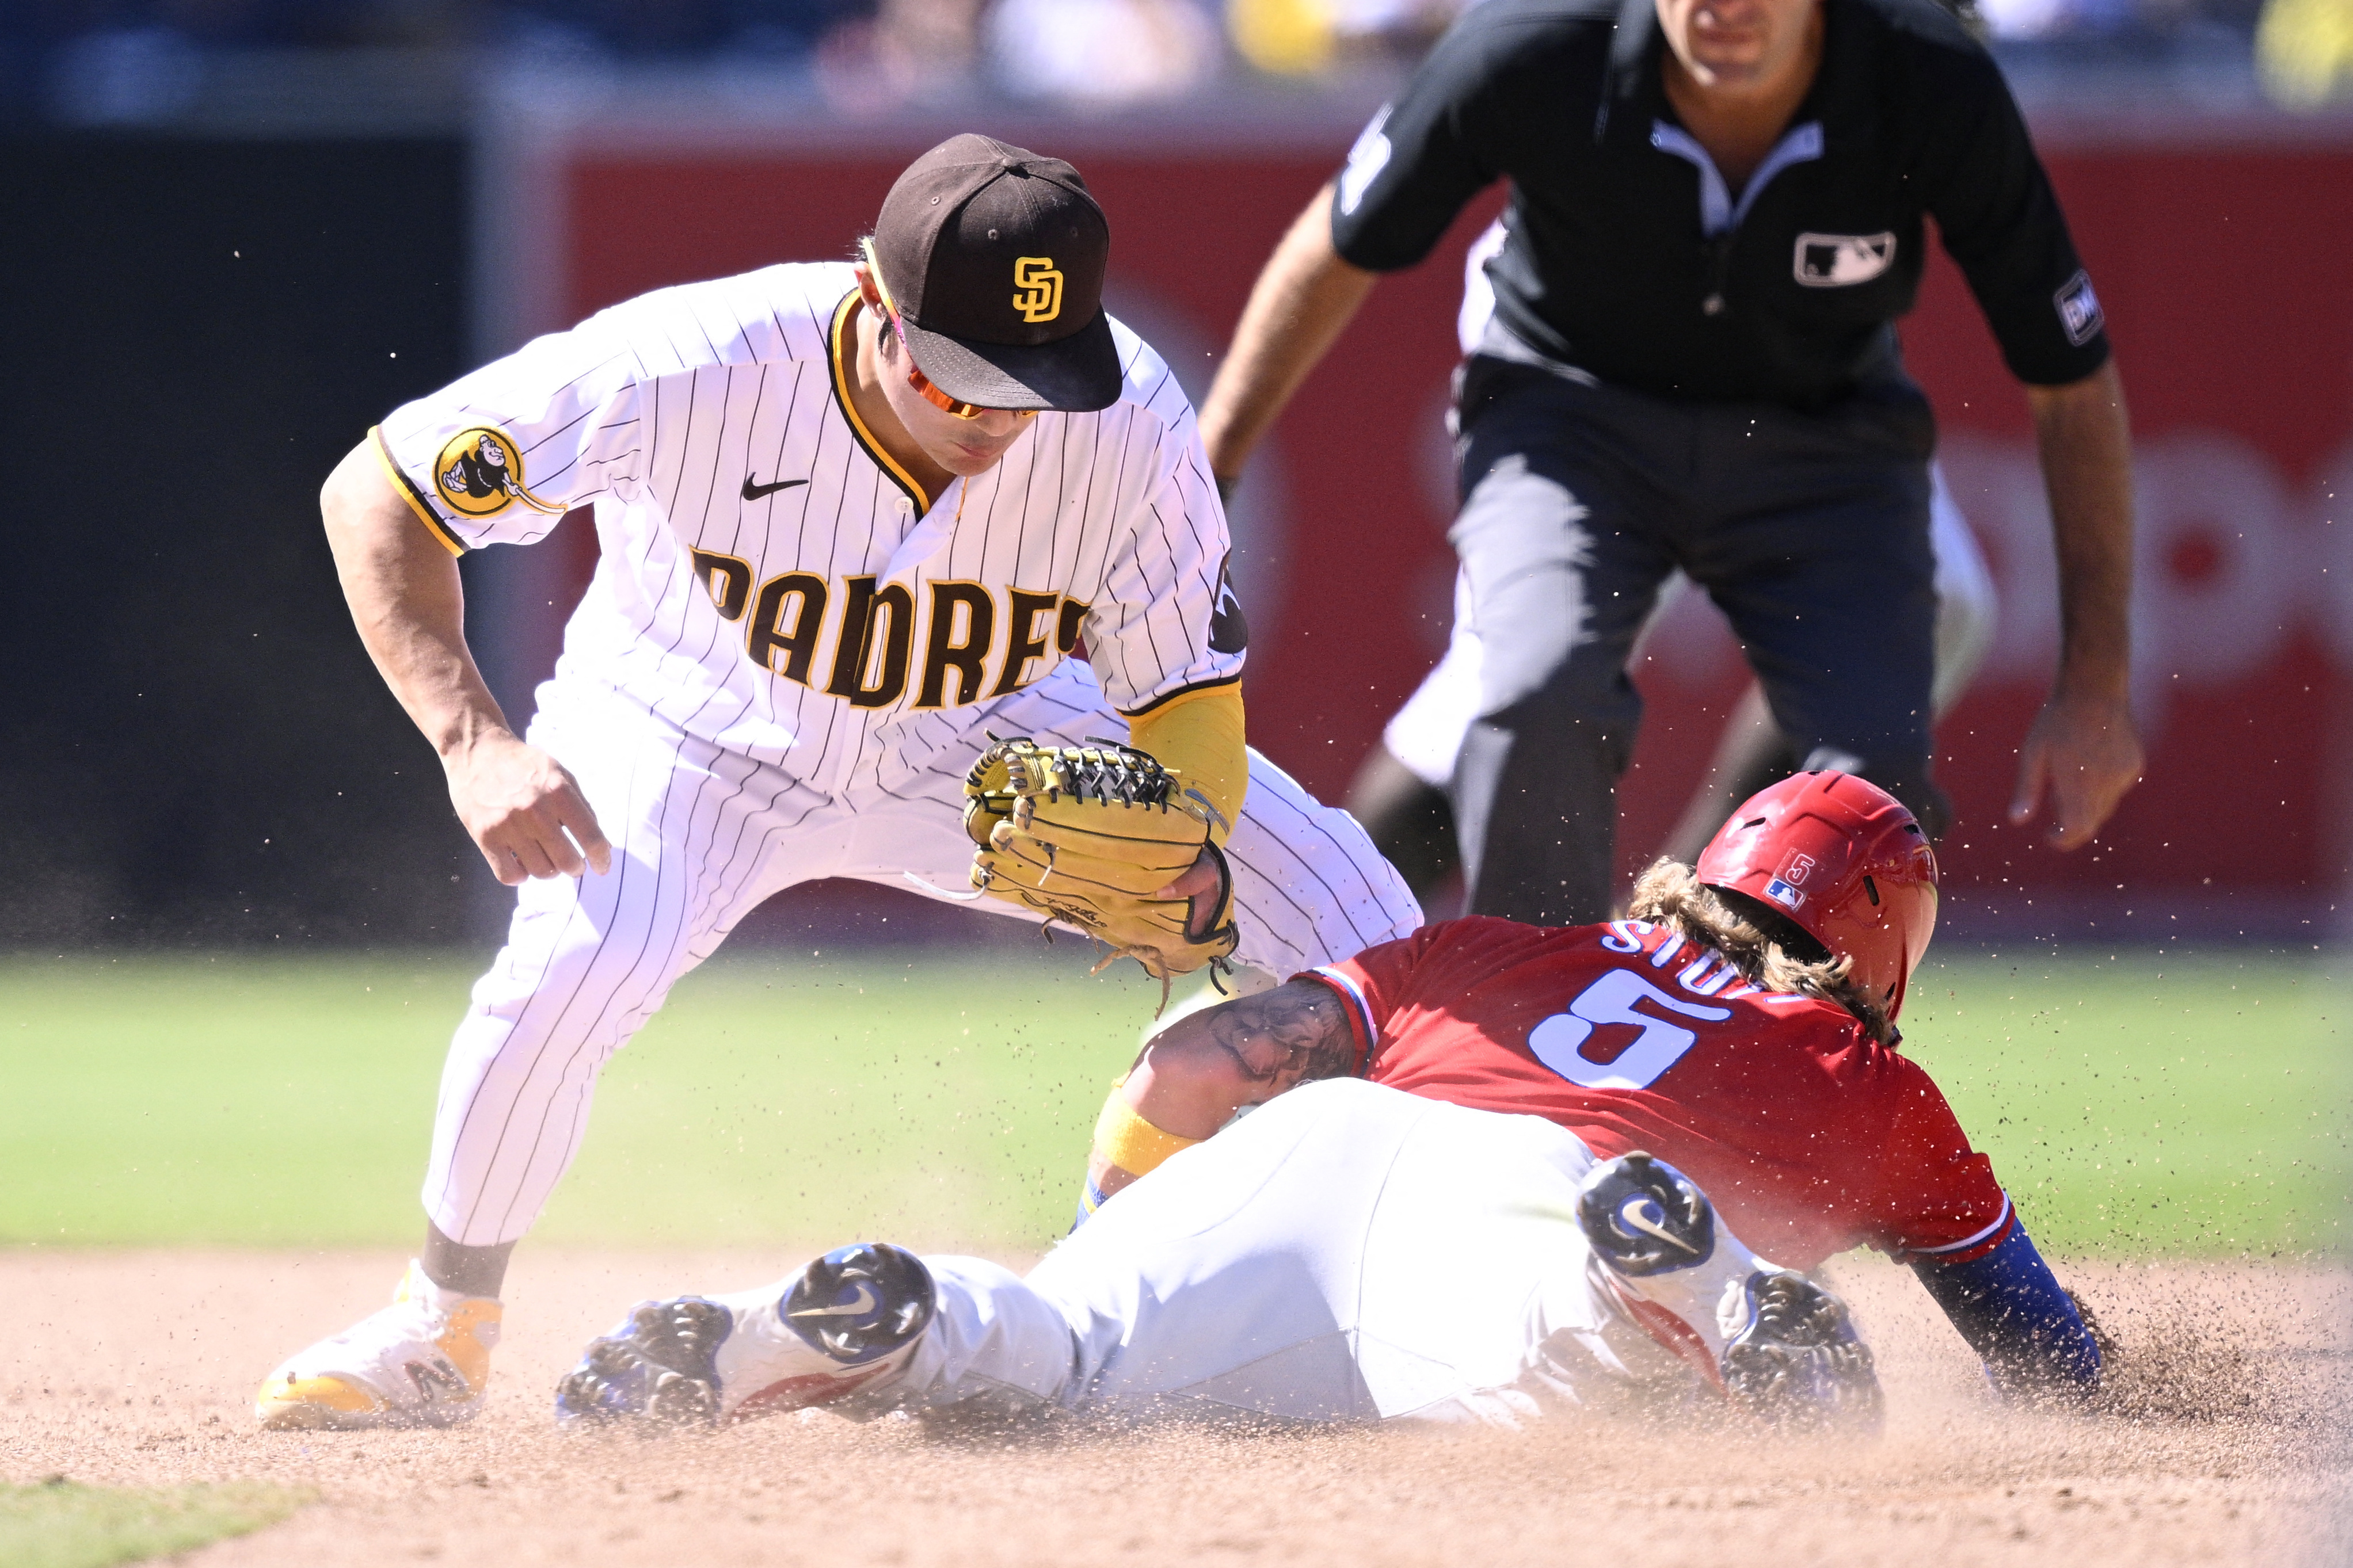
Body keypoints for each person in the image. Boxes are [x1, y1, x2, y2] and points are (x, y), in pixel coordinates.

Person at [254, 133, 1419, 1432]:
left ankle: (1386, 1275)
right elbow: (384, 488)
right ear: (875, 300)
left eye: (1030, 383)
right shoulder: (690, 362)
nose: (995, 418)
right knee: (582, 961)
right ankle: (437, 1334)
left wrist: (1187, 832)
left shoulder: (1127, 422)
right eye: (964, 377)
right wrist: (475, 741)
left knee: (1358, 919)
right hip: (689, 733)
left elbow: (1185, 698)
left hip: (988, 737)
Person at [549, 772, 2100, 1434]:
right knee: (1628, 1351)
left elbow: (1198, 1063)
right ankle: (1678, 1273)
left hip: (1320, 1145)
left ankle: (889, 1316)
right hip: (1542, 1208)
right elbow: (2049, 1351)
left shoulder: (1493, 942)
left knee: (1062, 1360)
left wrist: (1131, 1240)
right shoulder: (1876, 1083)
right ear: (1881, 936)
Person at [1196, 0, 2145, 928]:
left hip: (1819, 420)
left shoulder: (1925, 70)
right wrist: (1207, 473)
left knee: (1870, 786)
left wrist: (2097, 682)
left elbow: (2068, 378)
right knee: (1526, 695)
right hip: (1570, 399)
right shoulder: (1540, 38)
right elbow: (1340, 238)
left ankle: (1709, 978)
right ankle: (1502, 1017)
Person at [1349, 215, 2002, 899]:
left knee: (1934, 603)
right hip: (1587, 302)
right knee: (1515, 684)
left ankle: (1679, 933)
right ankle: (1330, 941)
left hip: (1783, 316)